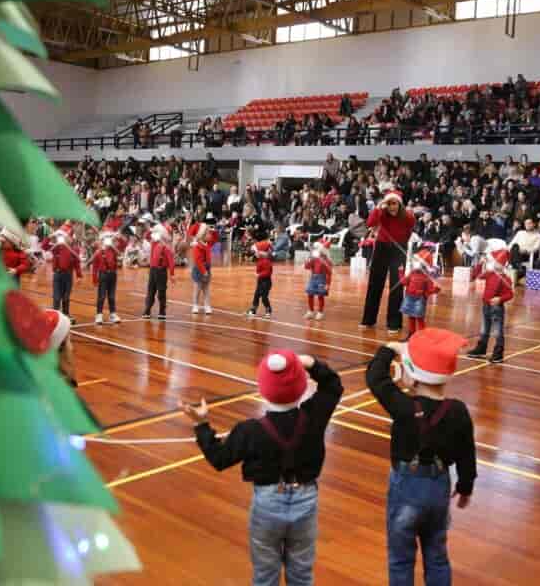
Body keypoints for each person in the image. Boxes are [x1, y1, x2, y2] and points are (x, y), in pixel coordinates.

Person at [183, 350, 343, 586]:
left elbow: (219, 458)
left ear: (263, 389)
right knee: (301, 572)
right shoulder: (314, 415)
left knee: (265, 574)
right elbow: (332, 385)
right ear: (301, 386)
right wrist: (310, 363)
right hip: (306, 498)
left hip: (267, 502)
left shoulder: (248, 430)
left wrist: (202, 425)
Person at [366, 329, 475, 586]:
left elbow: (375, 378)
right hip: (438, 487)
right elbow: (466, 453)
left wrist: (389, 349)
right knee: (437, 555)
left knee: (401, 558)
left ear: (411, 374)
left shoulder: (403, 407)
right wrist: (465, 486)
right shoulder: (458, 410)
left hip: (406, 488)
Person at [361, 189, 416, 333]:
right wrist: (379, 208)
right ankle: (368, 319)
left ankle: (394, 323)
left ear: (399, 204)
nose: (392, 207)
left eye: (395, 204)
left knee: (396, 287)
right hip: (381, 249)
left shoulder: (408, 216)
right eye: (389, 203)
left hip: (398, 250)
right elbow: (370, 223)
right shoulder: (381, 213)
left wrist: (401, 243)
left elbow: (410, 230)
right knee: (375, 284)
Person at [467, 244, 514, 362]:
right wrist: (480, 264)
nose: (492, 263)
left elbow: (510, 294)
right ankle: (481, 349)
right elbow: (476, 276)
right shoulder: (490, 274)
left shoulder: (506, 279)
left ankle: (498, 353)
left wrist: (500, 299)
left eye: (494, 261)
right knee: (484, 329)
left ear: (500, 264)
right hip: (486, 306)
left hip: (497, 308)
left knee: (498, 331)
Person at [399, 249, 440, 336]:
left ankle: (422, 336)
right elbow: (404, 282)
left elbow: (429, 290)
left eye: (416, 261)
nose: (414, 263)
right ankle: (411, 334)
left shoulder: (426, 277)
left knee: (419, 318)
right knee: (411, 316)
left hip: (419, 299)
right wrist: (401, 272)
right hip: (410, 297)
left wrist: (436, 289)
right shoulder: (412, 273)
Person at [142, 223, 175, 319]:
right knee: (150, 291)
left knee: (161, 292)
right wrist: (150, 230)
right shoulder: (154, 243)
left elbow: (171, 262)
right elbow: (147, 236)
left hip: (161, 271)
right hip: (153, 270)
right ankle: (147, 309)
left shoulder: (166, 248)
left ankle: (162, 310)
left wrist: (172, 274)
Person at [47, 230, 82, 318]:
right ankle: (55, 314)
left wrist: (79, 275)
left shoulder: (74, 249)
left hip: (68, 275)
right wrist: (50, 236)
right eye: (65, 236)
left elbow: (77, 263)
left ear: (71, 238)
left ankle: (66, 314)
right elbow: (45, 246)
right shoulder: (56, 247)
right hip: (57, 275)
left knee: (66, 297)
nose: (66, 239)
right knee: (57, 297)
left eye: (68, 237)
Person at [91, 232, 122, 325]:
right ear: (102, 241)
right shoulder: (98, 252)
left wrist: (117, 238)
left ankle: (112, 314)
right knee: (101, 296)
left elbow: (121, 249)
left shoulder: (113, 250)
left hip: (112, 274)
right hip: (103, 275)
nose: (108, 240)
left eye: (109, 238)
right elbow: (95, 267)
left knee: (111, 296)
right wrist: (94, 278)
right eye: (106, 238)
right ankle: (99, 314)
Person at [190, 223, 214, 315]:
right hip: (199, 269)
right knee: (198, 288)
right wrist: (204, 271)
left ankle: (207, 305)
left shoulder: (207, 244)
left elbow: (215, 237)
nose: (210, 235)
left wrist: (207, 270)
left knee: (206, 288)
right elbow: (198, 260)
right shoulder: (197, 246)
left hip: (207, 268)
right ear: (203, 235)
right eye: (208, 233)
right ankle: (195, 305)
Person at [303, 245, 332, 320]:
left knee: (320, 295)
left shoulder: (326, 260)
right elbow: (306, 267)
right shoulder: (313, 259)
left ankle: (320, 312)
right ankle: (310, 311)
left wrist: (328, 284)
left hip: (322, 279)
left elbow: (329, 273)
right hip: (313, 277)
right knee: (310, 294)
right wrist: (309, 259)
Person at [248, 236, 274, 318]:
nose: (256, 254)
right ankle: (253, 309)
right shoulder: (260, 260)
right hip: (260, 281)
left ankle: (268, 309)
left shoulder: (267, 261)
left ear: (262, 252)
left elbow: (268, 272)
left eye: (257, 252)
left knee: (264, 297)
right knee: (256, 295)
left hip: (266, 282)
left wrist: (259, 275)